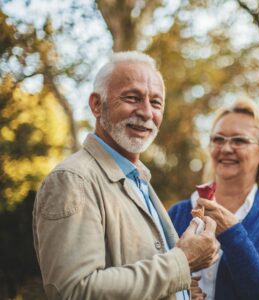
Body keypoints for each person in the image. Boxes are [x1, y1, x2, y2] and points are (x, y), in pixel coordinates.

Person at [32, 51, 220, 300]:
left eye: (155, 103)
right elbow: (76, 291)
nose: (145, 112)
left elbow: (149, 277)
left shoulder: (138, 180)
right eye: (132, 98)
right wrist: (183, 261)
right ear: (97, 104)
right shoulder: (72, 180)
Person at [169, 99, 259, 300]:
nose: (226, 148)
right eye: (218, 139)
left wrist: (232, 234)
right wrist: (176, 293)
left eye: (239, 140)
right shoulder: (177, 213)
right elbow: (152, 281)